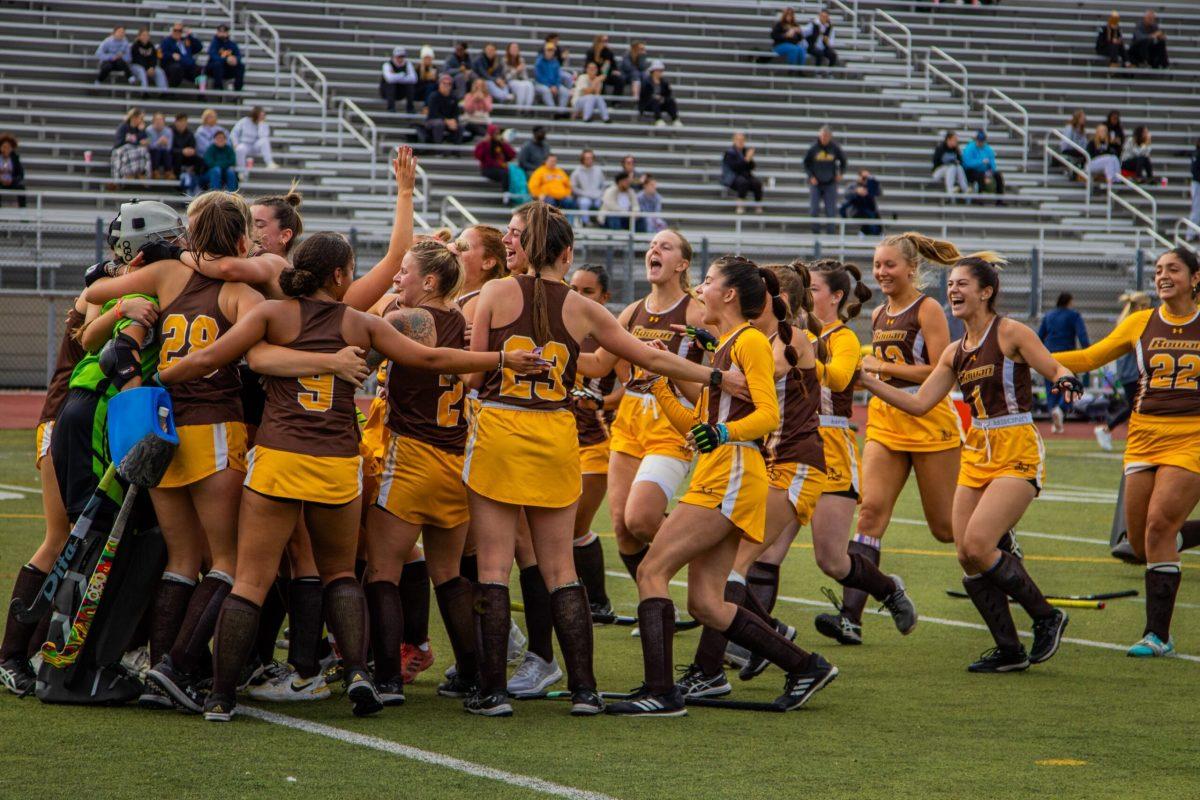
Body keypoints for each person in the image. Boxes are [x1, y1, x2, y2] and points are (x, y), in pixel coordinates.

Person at [148, 230, 542, 722]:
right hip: (336, 462)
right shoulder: (360, 323)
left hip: (279, 458)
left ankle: (221, 696)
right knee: (340, 572)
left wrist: (154, 378)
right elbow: (431, 358)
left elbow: (211, 357)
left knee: (250, 579)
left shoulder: (272, 314)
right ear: (337, 275)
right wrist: (501, 358)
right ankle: (359, 673)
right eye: (352, 269)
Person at [461, 203, 747, 716]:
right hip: (555, 435)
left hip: (502, 432)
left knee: (493, 567)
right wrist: (718, 376)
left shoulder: (494, 292)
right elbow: (650, 358)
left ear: (526, 247)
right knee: (560, 568)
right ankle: (585, 690)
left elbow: (474, 377)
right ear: (566, 254)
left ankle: (492, 691)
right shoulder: (583, 306)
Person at [607, 256, 838, 716]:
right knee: (707, 603)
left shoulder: (749, 341)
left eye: (708, 282)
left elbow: (767, 414)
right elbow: (699, 423)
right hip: (724, 469)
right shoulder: (728, 344)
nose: (701, 289)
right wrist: (663, 387)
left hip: (732, 471)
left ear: (729, 295)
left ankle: (662, 691)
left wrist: (724, 433)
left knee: (653, 571)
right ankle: (806, 666)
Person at [860, 254, 1075, 672]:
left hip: (1016, 446)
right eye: (951, 285)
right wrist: (867, 382)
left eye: (962, 285)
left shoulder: (1011, 332)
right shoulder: (955, 352)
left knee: (979, 544)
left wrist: (1064, 378)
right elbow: (921, 403)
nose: (953, 291)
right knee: (965, 553)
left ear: (986, 292)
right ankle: (1009, 650)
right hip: (977, 449)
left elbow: (1051, 365)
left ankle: (1046, 616)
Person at [673, 260, 832, 700]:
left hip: (795, 463)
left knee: (734, 571)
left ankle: (722, 664)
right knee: (730, 571)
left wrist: (724, 357)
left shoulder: (786, 338)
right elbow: (717, 398)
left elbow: (763, 381)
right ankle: (764, 638)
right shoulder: (748, 340)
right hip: (767, 462)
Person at [816, 233, 968, 646]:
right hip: (885, 426)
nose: (881, 272)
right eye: (877, 265)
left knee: (945, 528)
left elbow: (941, 368)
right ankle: (851, 617)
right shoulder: (880, 313)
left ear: (910, 268)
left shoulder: (928, 308)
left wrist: (880, 366)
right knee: (870, 515)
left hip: (929, 426)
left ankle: (999, 541)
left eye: (889, 265)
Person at [1053, 247, 1200, 657]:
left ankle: (1159, 635)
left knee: (1159, 526)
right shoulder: (1140, 322)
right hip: (1143, 437)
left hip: (1192, 438)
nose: (1163, 275)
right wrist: (1033, 358)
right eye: (1158, 270)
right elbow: (1088, 357)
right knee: (1138, 543)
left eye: (1173, 269)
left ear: (1195, 278)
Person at [744, 259, 874, 668]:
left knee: (830, 559)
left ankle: (888, 591)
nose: (810, 293)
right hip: (789, 444)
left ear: (836, 296)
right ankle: (757, 639)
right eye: (807, 287)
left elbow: (836, 379)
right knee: (765, 553)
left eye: (816, 288)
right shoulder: (784, 334)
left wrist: (802, 356)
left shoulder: (841, 337)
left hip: (831, 445)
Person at [578, 229, 709, 605]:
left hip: (673, 421)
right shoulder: (632, 311)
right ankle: (656, 605)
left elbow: (721, 367)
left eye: (665, 246)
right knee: (622, 529)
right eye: (652, 245)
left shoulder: (697, 311)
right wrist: (557, 354)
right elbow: (601, 364)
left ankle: (710, 564)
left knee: (642, 519)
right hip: (630, 418)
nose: (654, 250)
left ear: (682, 264)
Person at [567, 265, 621, 617]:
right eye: (574, 288)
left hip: (597, 442)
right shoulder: (564, 320)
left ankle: (598, 603)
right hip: (561, 442)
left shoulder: (610, 331)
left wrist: (600, 401)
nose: (579, 295)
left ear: (604, 297)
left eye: (588, 291)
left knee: (574, 526)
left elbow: (630, 386)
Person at [1093, 291, 1153, 451]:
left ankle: (1136, 436)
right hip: (1133, 371)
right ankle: (1106, 429)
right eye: (1147, 305)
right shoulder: (1135, 322)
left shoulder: (1125, 320)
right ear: (1141, 306)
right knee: (1136, 406)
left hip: (1128, 371)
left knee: (1137, 406)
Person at [1037, 293, 1089, 434]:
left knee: (1051, 388)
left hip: (1049, 355)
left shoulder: (1048, 316)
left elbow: (1039, 336)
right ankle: (1060, 409)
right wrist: (1088, 351)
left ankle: (1055, 417)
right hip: (1067, 356)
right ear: (1069, 302)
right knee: (1071, 387)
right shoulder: (1074, 315)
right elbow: (1082, 335)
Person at [804, 126, 847, 234]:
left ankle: (831, 235)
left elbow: (844, 161)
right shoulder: (813, 148)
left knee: (831, 211)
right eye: (822, 136)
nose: (824, 138)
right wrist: (811, 176)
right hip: (816, 183)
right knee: (814, 210)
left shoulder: (835, 148)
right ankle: (815, 235)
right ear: (819, 136)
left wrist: (840, 173)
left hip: (830, 183)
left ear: (830, 137)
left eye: (826, 136)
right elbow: (806, 163)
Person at [722, 131, 763, 213]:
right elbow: (735, 167)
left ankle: (758, 206)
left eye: (742, 140)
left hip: (745, 176)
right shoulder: (730, 153)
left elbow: (751, 167)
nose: (740, 142)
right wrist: (746, 159)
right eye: (738, 140)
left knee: (757, 183)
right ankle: (740, 206)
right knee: (743, 182)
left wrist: (750, 159)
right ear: (734, 140)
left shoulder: (744, 152)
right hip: (732, 177)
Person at [962, 130, 1005, 201]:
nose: (980, 143)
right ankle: (979, 198)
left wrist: (990, 173)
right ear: (976, 140)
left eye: (982, 141)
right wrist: (981, 162)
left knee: (998, 175)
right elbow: (967, 163)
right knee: (980, 176)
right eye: (979, 141)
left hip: (985, 172)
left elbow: (992, 163)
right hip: (971, 172)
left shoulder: (987, 149)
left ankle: (1000, 200)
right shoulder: (969, 148)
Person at [111, 107, 150, 185]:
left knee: (143, 151)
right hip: (122, 149)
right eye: (140, 118)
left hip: (135, 150)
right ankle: (128, 174)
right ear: (134, 118)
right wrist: (134, 142)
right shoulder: (123, 127)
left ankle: (141, 174)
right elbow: (119, 143)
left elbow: (143, 141)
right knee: (130, 151)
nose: (142, 120)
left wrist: (141, 132)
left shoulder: (140, 129)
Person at [231, 106, 277, 172]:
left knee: (265, 140)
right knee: (239, 149)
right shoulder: (244, 121)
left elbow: (263, 137)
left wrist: (260, 125)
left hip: (256, 146)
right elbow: (234, 133)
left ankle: (269, 163)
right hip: (245, 144)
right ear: (255, 115)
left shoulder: (264, 124)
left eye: (263, 115)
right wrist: (235, 143)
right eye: (261, 115)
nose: (263, 117)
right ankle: (241, 171)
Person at [838, 170, 882, 236]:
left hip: (869, 210)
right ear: (859, 177)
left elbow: (878, 193)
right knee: (869, 216)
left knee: (875, 217)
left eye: (867, 177)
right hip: (856, 210)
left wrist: (872, 183)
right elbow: (846, 195)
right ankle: (865, 233)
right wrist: (856, 191)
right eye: (863, 177)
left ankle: (867, 233)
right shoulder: (852, 185)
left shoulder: (871, 185)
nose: (865, 179)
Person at [474, 124, 515, 193]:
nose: (497, 135)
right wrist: (484, 143)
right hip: (488, 168)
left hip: (501, 167)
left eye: (498, 133)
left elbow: (511, 155)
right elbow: (478, 156)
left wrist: (504, 143)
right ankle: (506, 193)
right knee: (505, 173)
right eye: (495, 133)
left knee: (513, 173)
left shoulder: (501, 143)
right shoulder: (484, 144)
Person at [170, 114, 204, 195]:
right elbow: (169, 149)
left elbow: (192, 147)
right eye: (180, 122)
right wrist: (182, 151)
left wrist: (190, 151)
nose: (182, 124)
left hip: (187, 158)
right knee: (177, 156)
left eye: (184, 122)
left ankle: (196, 178)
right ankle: (178, 180)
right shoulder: (170, 132)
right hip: (174, 157)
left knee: (200, 160)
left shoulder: (189, 134)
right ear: (176, 122)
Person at [424, 74, 463, 145]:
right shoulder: (433, 96)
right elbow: (433, 114)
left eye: (449, 84)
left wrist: (454, 120)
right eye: (444, 83)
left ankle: (456, 151)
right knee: (439, 123)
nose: (446, 85)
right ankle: (438, 149)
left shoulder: (454, 97)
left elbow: (456, 113)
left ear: (451, 86)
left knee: (460, 125)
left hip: (448, 121)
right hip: (432, 120)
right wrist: (446, 121)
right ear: (439, 84)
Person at [638, 61, 680, 127]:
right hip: (649, 104)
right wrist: (654, 97)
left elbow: (667, 95)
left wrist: (664, 95)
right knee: (655, 101)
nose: (660, 73)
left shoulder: (664, 83)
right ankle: (658, 119)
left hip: (660, 103)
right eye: (658, 71)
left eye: (661, 71)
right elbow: (644, 96)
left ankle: (675, 119)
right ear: (653, 71)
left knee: (671, 101)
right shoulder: (646, 82)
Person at [160, 23, 202, 88]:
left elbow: (199, 47)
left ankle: (201, 92)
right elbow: (162, 54)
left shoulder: (186, 40)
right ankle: (171, 91)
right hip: (173, 65)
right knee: (177, 68)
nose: (177, 32)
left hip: (187, 66)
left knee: (200, 70)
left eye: (179, 31)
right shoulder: (167, 41)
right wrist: (171, 55)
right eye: (175, 30)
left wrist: (190, 35)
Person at [570, 149, 605, 225]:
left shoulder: (598, 171)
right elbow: (573, 188)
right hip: (583, 196)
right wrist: (584, 193)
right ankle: (586, 223)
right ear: (583, 159)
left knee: (601, 202)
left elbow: (603, 186)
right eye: (587, 158)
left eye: (591, 158)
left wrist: (600, 193)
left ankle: (599, 222)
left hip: (597, 196)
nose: (589, 160)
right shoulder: (577, 172)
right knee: (584, 202)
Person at [205, 24, 244, 91]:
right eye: (220, 32)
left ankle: (238, 89)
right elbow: (213, 56)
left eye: (224, 32)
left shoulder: (232, 44)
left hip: (228, 69)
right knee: (218, 64)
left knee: (240, 66)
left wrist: (235, 59)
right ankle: (218, 87)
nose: (222, 34)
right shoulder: (214, 43)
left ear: (227, 33)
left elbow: (238, 55)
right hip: (214, 69)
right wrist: (226, 59)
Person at [380, 46, 418, 113]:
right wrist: (402, 75)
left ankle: (410, 108)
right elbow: (389, 79)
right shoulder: (387, 65)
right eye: (398, 57)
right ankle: (391, 108)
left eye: (402, 57)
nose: (400, 59)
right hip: (387, 93)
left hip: (400, 92)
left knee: (410, 85)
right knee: (391, 84)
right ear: (394, 56)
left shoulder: (408, 64)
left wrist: (395, 76)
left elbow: (414, 79)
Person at [130, 27, 168, 92]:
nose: (145, 37)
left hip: (149, 67)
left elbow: (154, 59)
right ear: (139, 36)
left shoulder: (151, 46)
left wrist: (152, 67)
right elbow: (137, 60)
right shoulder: (135, 46)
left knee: (159, 71)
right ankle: (144, 91)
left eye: (147, 35)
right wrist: (147, 68)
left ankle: (163, 92)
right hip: (136, 67)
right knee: (141, 70)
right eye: (143, 35)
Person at [534, 44, 570, 111]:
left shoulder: (555, 62)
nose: (550, 52)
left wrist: (556, 86)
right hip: (541, 84)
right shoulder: (539, 62)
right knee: (546, 91)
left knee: (565, 91)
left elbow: (558, 76)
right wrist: (550, 86)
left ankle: (560, 111)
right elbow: (539, 77)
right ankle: (553, 110)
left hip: (554, 85)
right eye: (548, 50)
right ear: (544, 51)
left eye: (552, 50)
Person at [502, 43, 535, 107]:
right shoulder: (504, 60)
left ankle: (527, 109)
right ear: (509, 50)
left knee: (529, 85)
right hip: (510, 81)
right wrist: (516, 70)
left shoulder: (521, 60)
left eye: (516, 48)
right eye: (513, 48)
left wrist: (522, 71)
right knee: (521, 86)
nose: (515, 49)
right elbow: (506, 77)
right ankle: (519, 108)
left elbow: (525, 77)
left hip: (520, 80)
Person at [0, 133, 27, 208]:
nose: (6, 149)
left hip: (11, 182)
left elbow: (21, 174)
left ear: (12, 148)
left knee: (21, 188)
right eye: (4, 147)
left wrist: (12, 180)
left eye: (8, 147)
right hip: (0, 182)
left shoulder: (15, 159)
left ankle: (23, 214)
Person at [146, 112, 174, 179]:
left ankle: (168, 172)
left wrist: (166, 143)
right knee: (156, 151)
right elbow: (149, 146)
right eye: (157, 120)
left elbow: (169, 147)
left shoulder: (168, 131)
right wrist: (158, 142)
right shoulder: (148, 130)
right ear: (153, 122)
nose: (159, 123)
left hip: (164, 153)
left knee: (166, 152)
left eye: (161, 120)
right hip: (152, 153)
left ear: (164, 122)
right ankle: (155, 171)